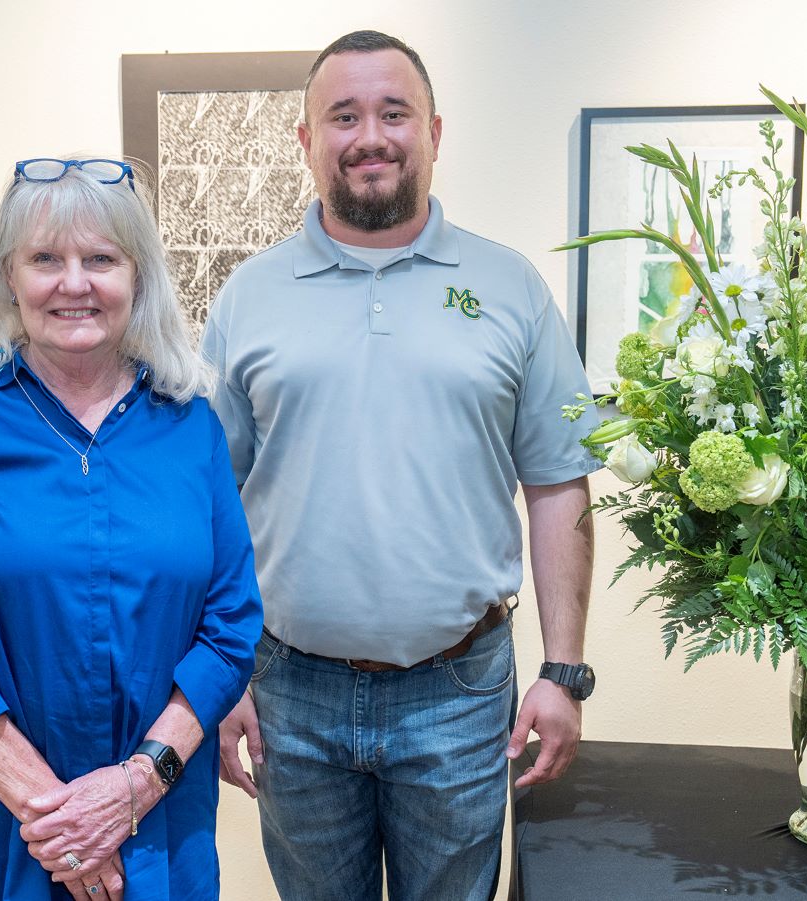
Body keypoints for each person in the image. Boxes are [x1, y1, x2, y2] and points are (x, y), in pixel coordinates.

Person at [203, 31, 601, 900]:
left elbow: (558, 483)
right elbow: (210, 500)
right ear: (306, 141)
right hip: (289, 690)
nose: (370, 136)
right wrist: (218, 671)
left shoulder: (509, 287)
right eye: (343, 115)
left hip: (459, 690)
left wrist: (564, 669)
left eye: (394, 113)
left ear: (435, 132)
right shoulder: (249, 295)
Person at [0, 157, 261, 901]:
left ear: (138, 278)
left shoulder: (190, 426)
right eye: (46, 259)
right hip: (1, 823)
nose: (74, 282)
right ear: (9, 276)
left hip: (157, 820)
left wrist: (132, 789)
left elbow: (231, 626)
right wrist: (58, 820)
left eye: (100, 259)